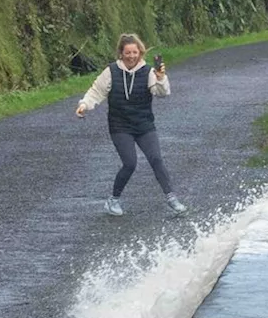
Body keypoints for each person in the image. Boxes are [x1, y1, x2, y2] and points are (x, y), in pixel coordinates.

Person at [77, 34, 187, 216]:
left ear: (140, 52)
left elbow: (162, 93)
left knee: (156, 159)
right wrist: (84, 105)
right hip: (120, 126)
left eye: (135, 52)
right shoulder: (111, 71)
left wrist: (160, 78)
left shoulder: (149, 72)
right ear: (121, 53)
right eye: (128, 52)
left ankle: (172, 198)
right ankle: (113, 201)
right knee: (130, 163)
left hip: (144, 125)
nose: (131, 56)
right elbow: (96, 91)